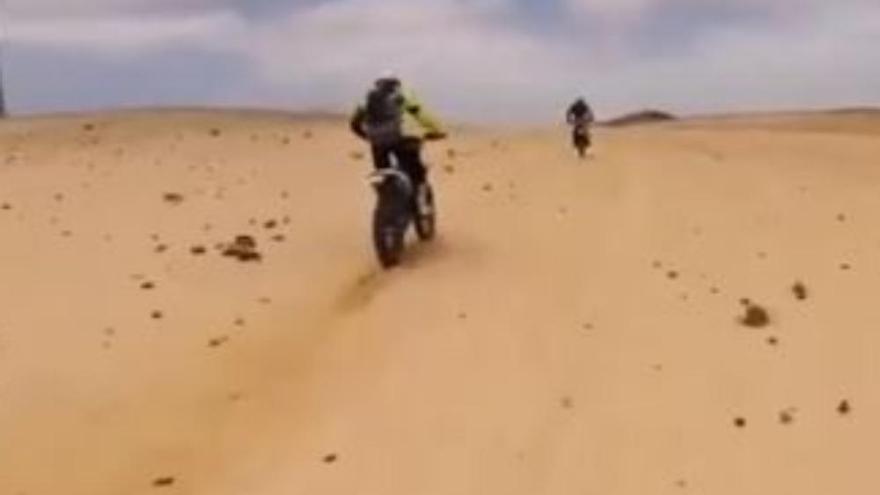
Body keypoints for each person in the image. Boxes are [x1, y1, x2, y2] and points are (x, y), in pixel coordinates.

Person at [350, 73, 446, 191]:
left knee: (383, 174)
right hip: (405, 140)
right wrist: (438, 130)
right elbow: (422, 115)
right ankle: (420, 201)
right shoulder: (404, 95)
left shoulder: (367, 99)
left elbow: (354, 124)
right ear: (397, 83)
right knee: (417, 174)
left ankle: (384, 197)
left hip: (378, 143)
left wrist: (368, 137)